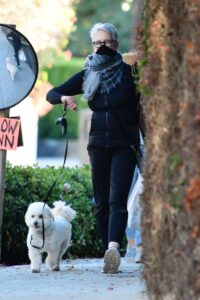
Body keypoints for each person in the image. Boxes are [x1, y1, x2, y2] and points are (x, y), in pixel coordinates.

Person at [46, 23, 144, 273]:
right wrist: (64, 98)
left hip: (125, 142)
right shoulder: (89, 72)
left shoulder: (129, 72)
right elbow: (52, 92)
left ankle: (113, 247)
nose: (101, 47)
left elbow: (145, 107)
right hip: (97, 142)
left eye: (106, 42)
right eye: (97, 43)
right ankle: (106, 252)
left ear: (116, 44)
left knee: (117, 199)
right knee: (100, 200)